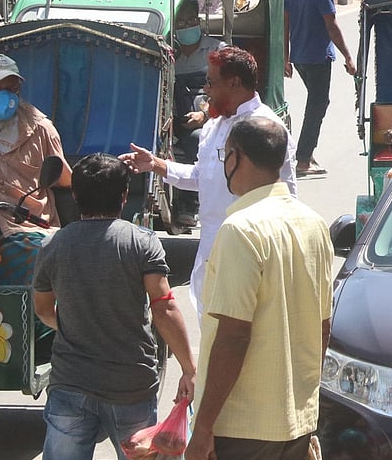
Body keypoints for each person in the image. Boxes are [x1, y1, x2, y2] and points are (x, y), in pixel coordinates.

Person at [184, 118, 333, 460]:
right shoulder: (313, 224)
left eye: (225, 154)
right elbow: (323, 326)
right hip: (293, 423)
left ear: (237, 158)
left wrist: (202, 429)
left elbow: (233, 336)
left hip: (240, 428)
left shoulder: (241, 230)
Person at [33, 153, 196, 460]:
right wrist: (188, 368)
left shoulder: (54, 245)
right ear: (124, 196)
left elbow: (44, 309)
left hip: (69, 385)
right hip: (129, 387)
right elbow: (164, 308)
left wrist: (73, 326)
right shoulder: (141, 242)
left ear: (75, 196)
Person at [119, 46, 297, 317]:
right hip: (211, 247)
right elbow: (202, 178)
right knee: (212, 327)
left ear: (234, 83)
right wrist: (155, 165)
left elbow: (288, 196)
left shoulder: (267, 129)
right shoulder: (213, 127)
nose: (206, 90)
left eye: (211, 82)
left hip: (252, 248)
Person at [0, 53, 71, 286]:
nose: (4, 96)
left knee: (42, 260)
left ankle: (43, 320)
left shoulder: (41, 128)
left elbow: (65, 179)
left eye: (11, 89)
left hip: (26, 227)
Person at [284, 0, 357, 177]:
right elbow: (332, 25)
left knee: (316, 103)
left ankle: (307, 152)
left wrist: (286, 58)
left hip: (299, 58)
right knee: (317, 105)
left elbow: (284, 27)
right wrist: (348, 56)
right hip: (317, 57)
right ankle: (303, 159)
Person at [171, 4, 225, 226]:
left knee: (198, 139)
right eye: (181, 23)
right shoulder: (170, 54)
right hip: (177, 117)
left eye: (191, 21)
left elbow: (225, 90)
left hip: (211, 118)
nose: (187, 27)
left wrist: (204, 115)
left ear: (199, 22)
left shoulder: (217, 50)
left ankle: (191, 204)